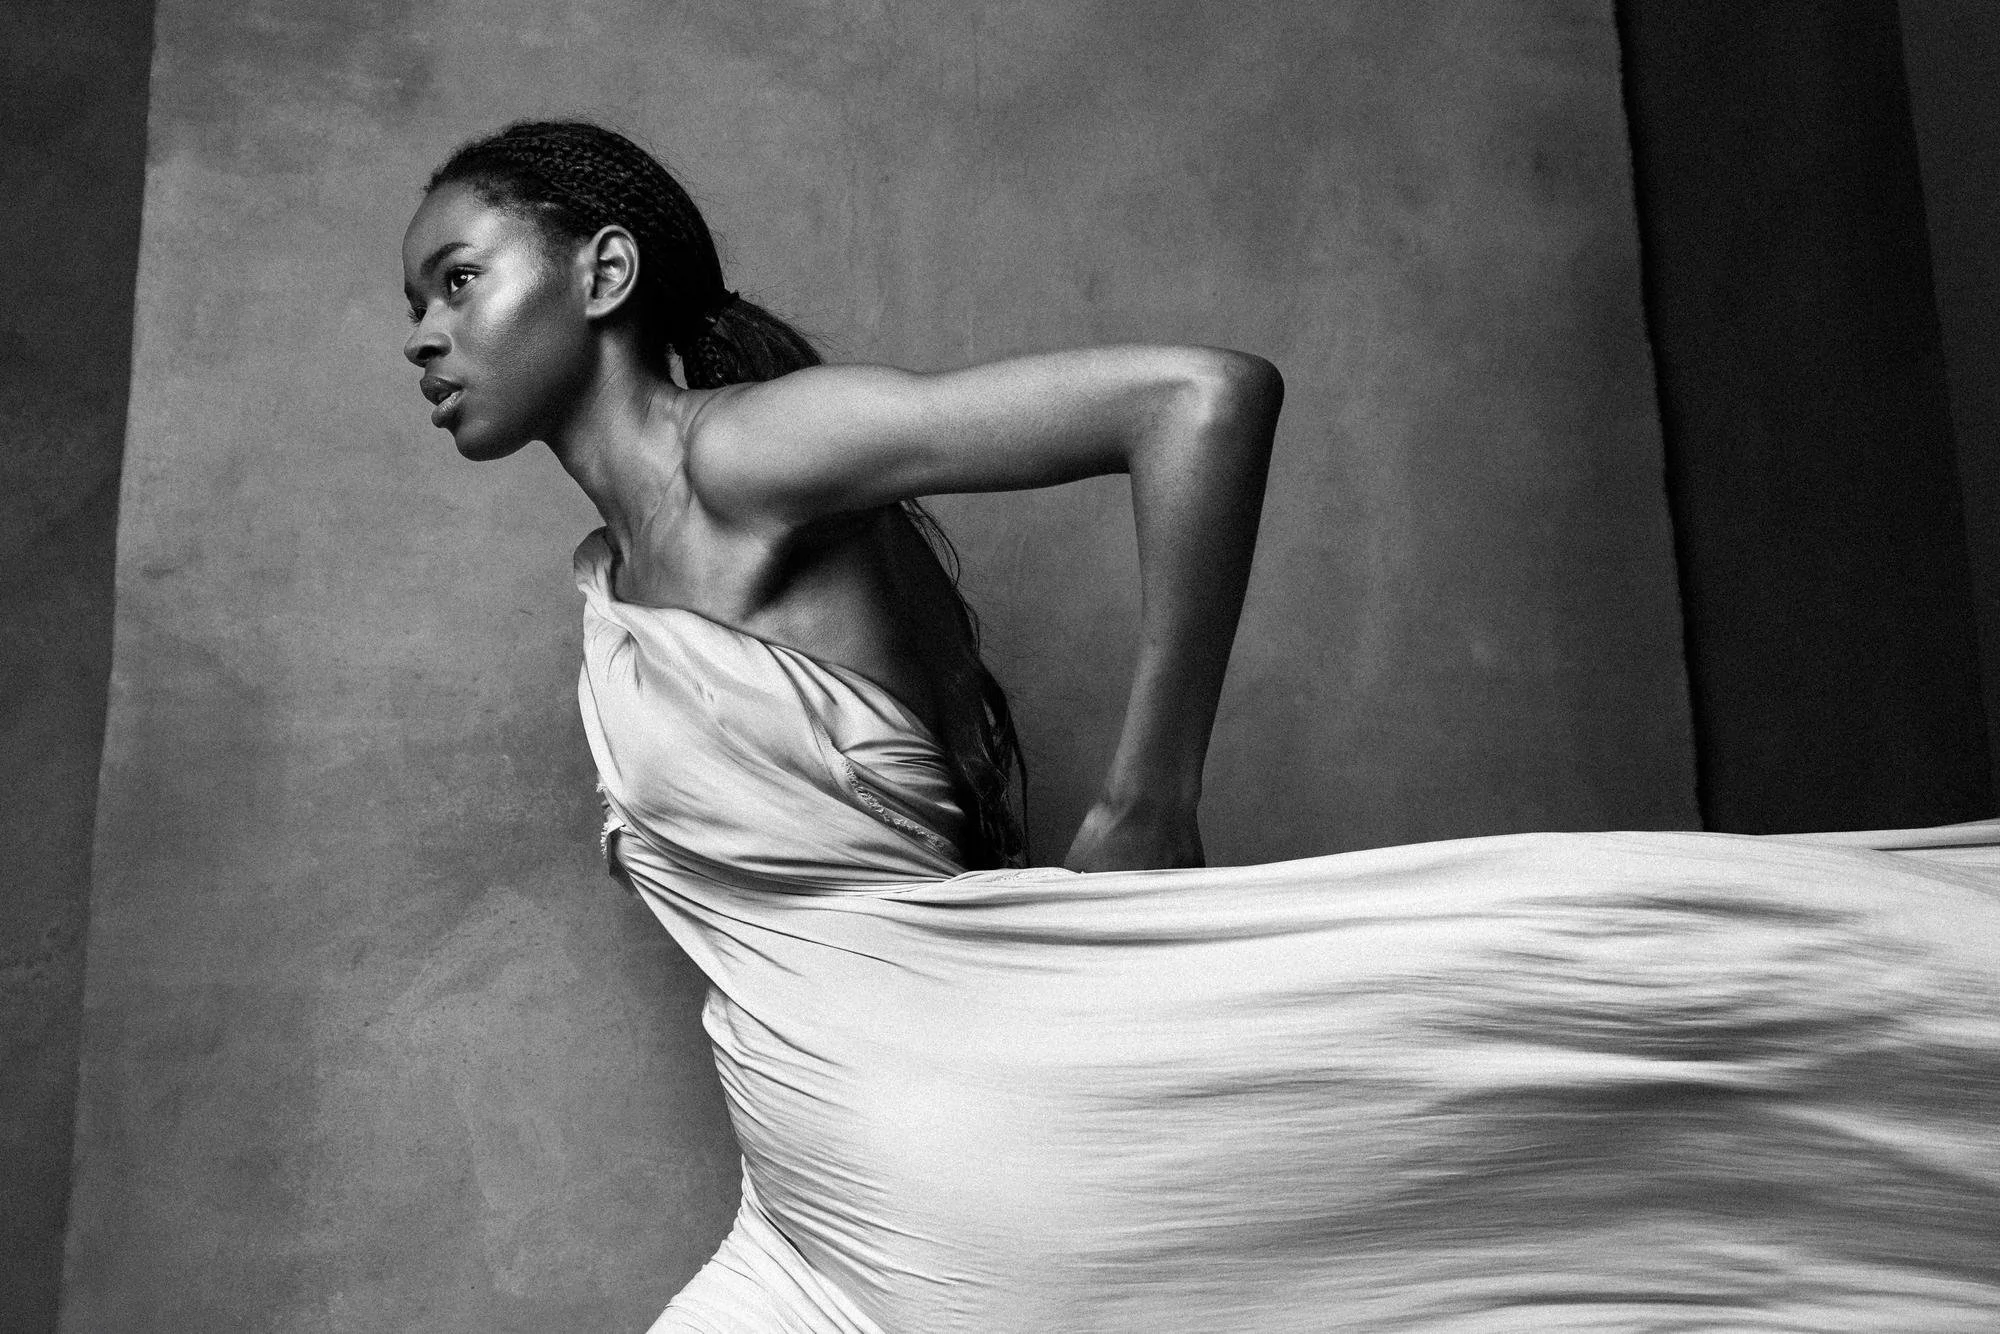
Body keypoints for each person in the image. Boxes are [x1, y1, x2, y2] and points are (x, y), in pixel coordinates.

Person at [403, 121, 2000, 1332]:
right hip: (810, 1197)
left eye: (458, 278)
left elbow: (1199, 398)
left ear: (602, 274)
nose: (422, 332)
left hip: (949, 1144)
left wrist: (1150, 797)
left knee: (1621, 1019)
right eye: (416, 302)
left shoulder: (743, 454)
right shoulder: (613, 574)